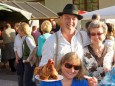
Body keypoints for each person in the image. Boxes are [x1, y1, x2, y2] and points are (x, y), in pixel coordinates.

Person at [39, 3, 96, 85]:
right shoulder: (51, 41)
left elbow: (98, 44)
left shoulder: (84, 36)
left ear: (77, 21)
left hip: (79, 82)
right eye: (67, 18)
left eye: (74, 18)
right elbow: (43, 67)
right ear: (61, 19)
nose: (71, 21)